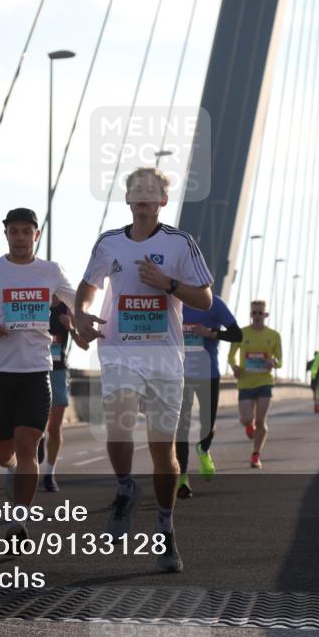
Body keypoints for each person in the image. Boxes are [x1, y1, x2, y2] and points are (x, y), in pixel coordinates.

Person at [74, 166, 214, 573]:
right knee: (118, 423)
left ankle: (165, 530)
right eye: (136, 190)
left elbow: (204, 299)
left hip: (165, 358)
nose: (143, 196)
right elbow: (87, 287)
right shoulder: (109, 243)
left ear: (162, 201)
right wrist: (81, 314)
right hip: (118, 351)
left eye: (151, 191)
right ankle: (124, 489)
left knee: (162, 451)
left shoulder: (180, 243)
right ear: (128, 199)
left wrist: (168, 284)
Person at [0, 208, 75, 545]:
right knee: (3, 453)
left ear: (36, 235)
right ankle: (8, 465)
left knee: (28, 445)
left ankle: (19, 521)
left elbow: (74, 301)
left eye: (27, 231)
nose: (21, 237)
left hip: (37, 371)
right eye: (15, 231)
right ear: (6, 234)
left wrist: (89, 319)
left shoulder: (50, 271)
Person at [176, 295, 243, 498]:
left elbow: (237, 335)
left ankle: (203, 449)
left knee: (208, 424)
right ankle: (182, 478)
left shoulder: (214, 303)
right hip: (180, 375)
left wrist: (210, 333)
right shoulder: (173, 301)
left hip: (208, 374)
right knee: (181, 426)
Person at [38, 294, 90, 492]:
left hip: (58, 370)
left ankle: (49, 474)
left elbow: (84, 345)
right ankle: (39, 437)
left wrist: (71, 328)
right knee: (36, 423)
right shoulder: (36, 304)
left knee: (55, 426)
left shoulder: (67, 309)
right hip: (36, 368)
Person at [228, 300, 283, 469]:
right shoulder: (241, 333)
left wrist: (273, 362)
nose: (257, 316)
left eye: (260, 313)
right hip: (245, 382)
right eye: (254, 313)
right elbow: (231, 356)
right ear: (251, 314)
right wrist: (234, 366)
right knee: (246, 419)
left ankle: (256, 455)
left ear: (265, 315)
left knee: (261, 421)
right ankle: (248, 426)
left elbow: (280, 360)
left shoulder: (273, 335)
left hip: (264, 382)